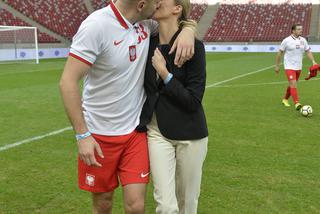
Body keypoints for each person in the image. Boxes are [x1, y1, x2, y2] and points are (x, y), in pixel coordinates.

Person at [59, 0, 197, 213]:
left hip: (135, 133)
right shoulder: (96, 26)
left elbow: (176, 23)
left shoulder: (145, 24)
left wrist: (189, 28)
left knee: (136, 206)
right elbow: (67, 82)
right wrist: (82, 135)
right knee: (103, 203)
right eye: (155, 2)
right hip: (99, 135)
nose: (158, 4)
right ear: (141, 5)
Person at [136, 0, 208, 213]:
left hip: (190, 135)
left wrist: (165, 75)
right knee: (165, 205)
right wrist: (189, 26)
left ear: (177, 9)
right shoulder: (146, 42)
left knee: (187, 204)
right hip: (157, 132)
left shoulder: (195, 47)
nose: (156, 1)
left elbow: (193, 101)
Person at [275, 23, 317, 110]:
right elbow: (279, 53)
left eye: (301, 29)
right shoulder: (286, 40)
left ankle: (285, 99)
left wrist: (313, 61)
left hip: (299, 67)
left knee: (292, 84)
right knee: (293, 84)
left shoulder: (303, 40)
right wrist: (277, 65)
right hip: (289, 66)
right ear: (293, 31)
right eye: (298, 29)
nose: (300, 30)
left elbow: (308, 51)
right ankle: (297, 103)